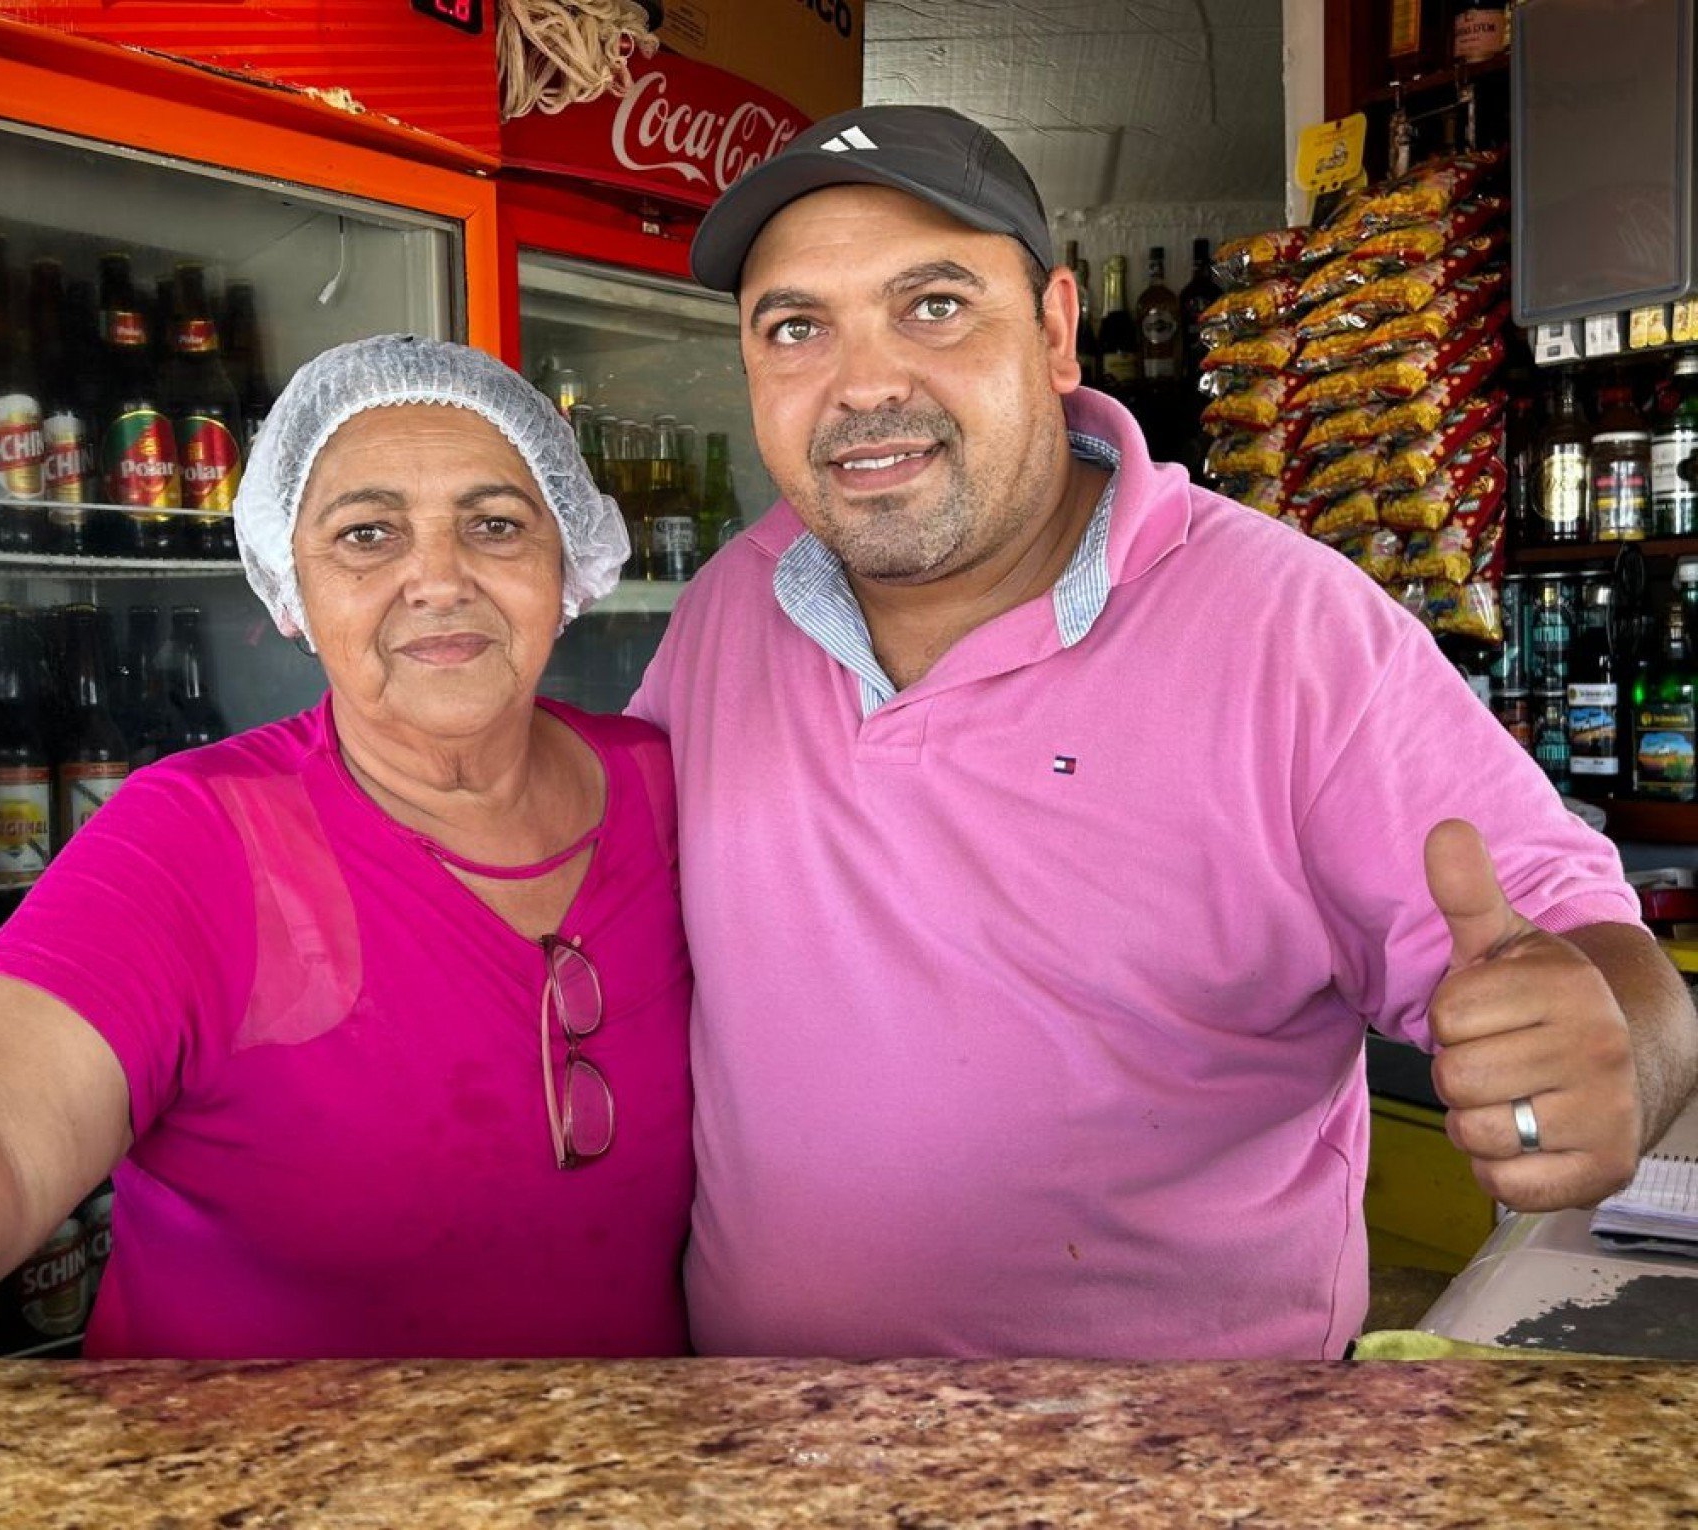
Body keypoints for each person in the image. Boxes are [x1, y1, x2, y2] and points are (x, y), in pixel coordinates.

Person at [633, 105, 1698, 1360]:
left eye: (933, 305)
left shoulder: (1289, 630)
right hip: (768, 1455)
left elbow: (1598, 965)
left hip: (1184, 1471)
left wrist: (1605, 1055)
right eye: (798, 327)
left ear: (1053, 330)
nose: (865, 385)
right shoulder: (724, 618)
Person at [0, 336, 693, 1426]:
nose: (438, 577)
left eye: (495, 525)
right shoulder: (198, 835)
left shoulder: (670, 788)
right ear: (289, 586)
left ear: (566, 562)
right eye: (367, 533)